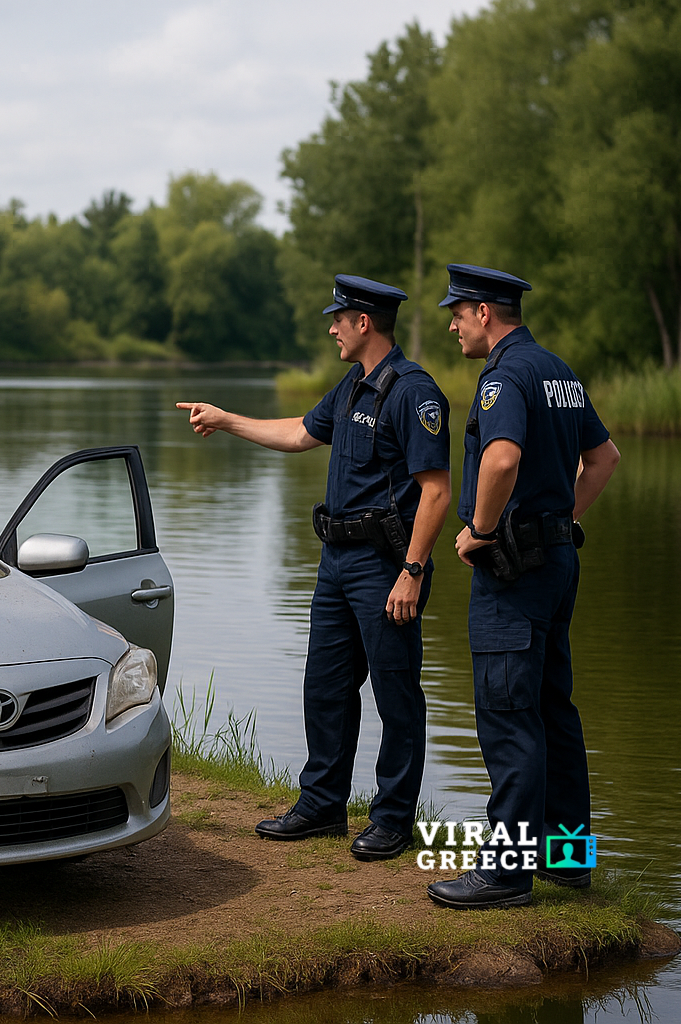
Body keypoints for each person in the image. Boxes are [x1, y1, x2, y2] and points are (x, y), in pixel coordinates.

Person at [177, 275, 451, 861]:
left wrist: (413, 570)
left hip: (385, 565)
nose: (331, 328)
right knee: (324, 687)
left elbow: (436, 493)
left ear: (364, 323)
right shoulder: (352, 386)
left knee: (396, 693)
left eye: (338, 319)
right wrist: (227, 420)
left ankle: (394, 818)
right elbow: (301, 433)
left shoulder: (412, 392)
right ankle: (322, 804)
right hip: (335, 563)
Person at [426, 264, 620, 909]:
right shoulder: (559, 371)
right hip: (558, 564)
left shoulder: (505, 375)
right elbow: (604, 459)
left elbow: (503, 458)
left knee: (510, 717)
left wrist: (481, 530)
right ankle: (567, 863)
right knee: (554, 713)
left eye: (458, 312)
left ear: (486, 312)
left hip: (515, 572)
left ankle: (505, 875)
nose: (452, 323)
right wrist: (560, 521)